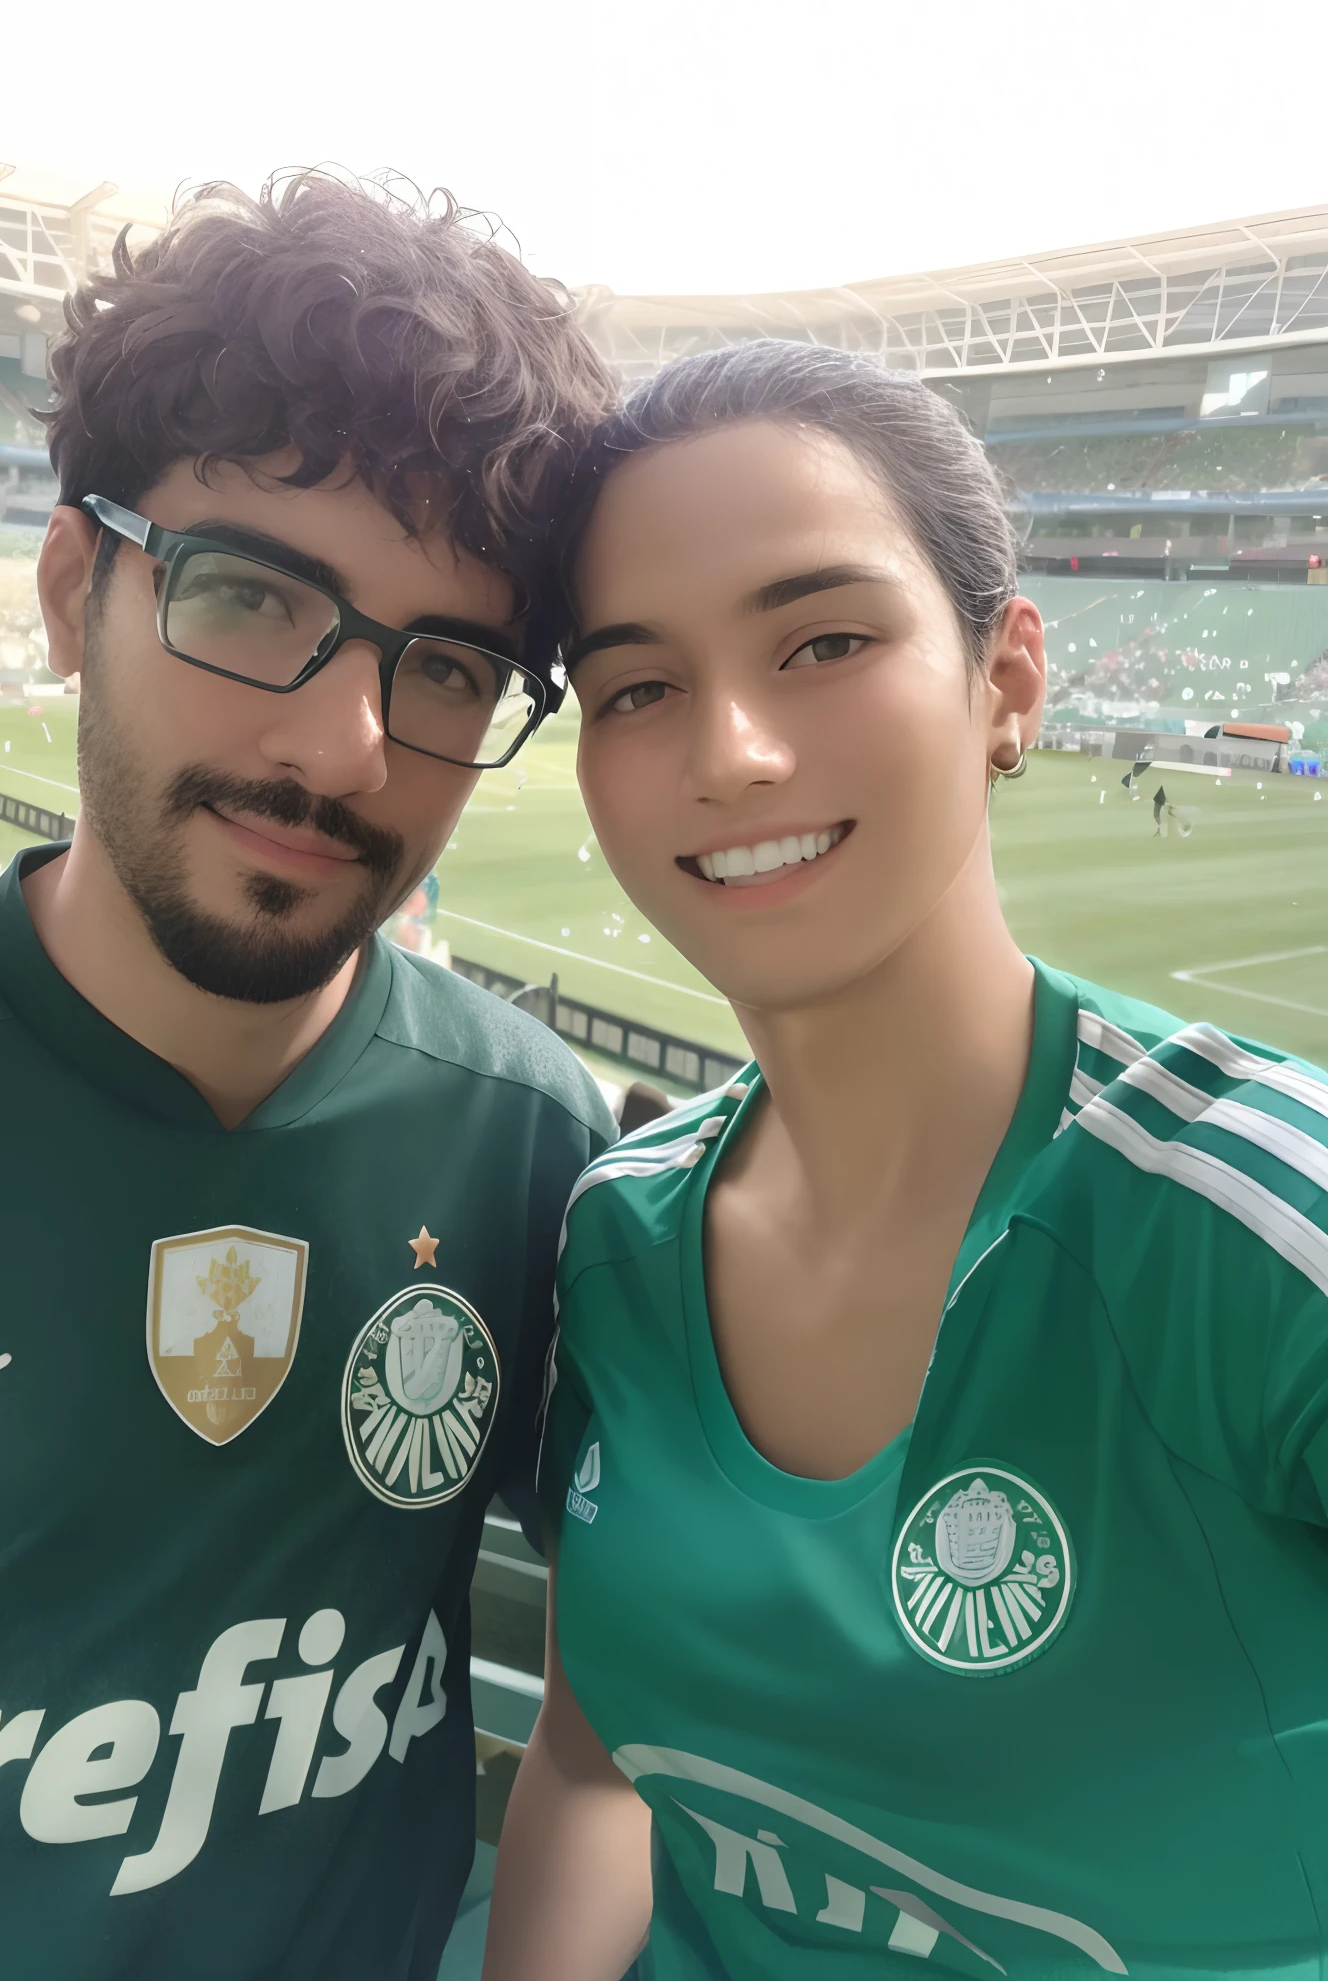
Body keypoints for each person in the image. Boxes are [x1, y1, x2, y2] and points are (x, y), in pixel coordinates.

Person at [0, 171, 617, 1981]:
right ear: (78, 583)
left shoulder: (540, 1146)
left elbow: (636, 1718)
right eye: (251, 598)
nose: (338, 744)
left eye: (449, 669)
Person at [484, 340, 1328, 1979]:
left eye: (825, 641)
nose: (730, 750)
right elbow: (594, 1767)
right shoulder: (617, 1244)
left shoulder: (1261, 1233)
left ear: (1005, 680)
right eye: (638, 686)